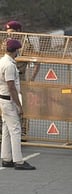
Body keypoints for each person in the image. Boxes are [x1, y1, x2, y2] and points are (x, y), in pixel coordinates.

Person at [0, 39, 35, 170]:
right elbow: (11, 87)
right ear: (16, 50)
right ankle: (18, 161)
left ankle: (6, 158)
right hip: (9, 99)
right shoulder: (9, 65)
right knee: (15, 130)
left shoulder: (2, 61)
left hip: (3, 99)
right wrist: (19, 105)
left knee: (6, 129)